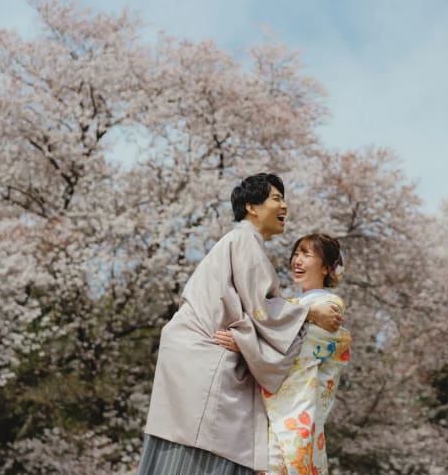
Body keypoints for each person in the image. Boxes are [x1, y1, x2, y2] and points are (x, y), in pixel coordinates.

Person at [138, 173, 343, 474]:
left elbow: (254, 310)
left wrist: (247, 341)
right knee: (213, 451)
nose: (284, 205)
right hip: (207, 356)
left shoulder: (238, 241)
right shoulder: (244, 240)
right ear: (252, 206)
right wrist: (310, 315)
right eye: (276, 198)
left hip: (190, 354)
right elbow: (262, 309)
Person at [214, 233, 352, 475]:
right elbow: (276, 330)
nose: (297, 260)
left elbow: (301, 347)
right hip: (274, 405)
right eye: (296, 253)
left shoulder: (330, 304)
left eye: (307, 255)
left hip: (299, 407)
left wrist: (248, 342)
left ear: (327, 268)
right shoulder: (288, 304)